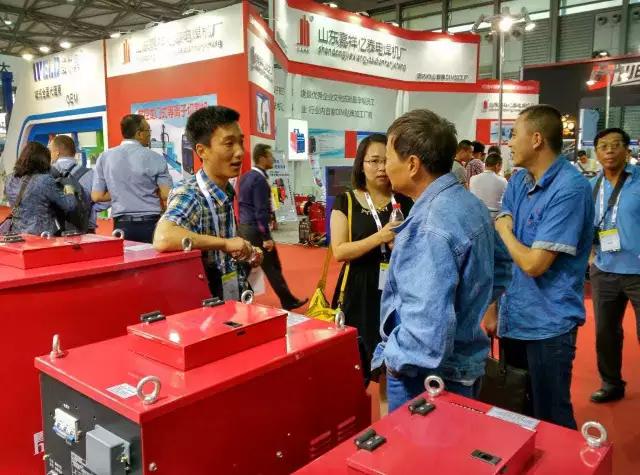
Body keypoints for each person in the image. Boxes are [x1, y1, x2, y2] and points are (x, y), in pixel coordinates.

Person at [371, 110, 494, 411]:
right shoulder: (470, 204)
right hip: (465, 362)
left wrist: (393, 360)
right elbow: (501, 269)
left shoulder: (429, 225)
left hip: (428, 378)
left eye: (388, 158)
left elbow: (426, 331)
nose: (385, 167)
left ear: (412, 164)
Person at [493, 105, 594, 429]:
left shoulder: (570, 188)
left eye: (513, 135)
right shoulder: (519, 181)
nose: (509, 143)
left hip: (549, 326)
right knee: (515, 411)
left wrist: (504, 230)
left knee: (552, 417)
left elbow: (534, 264)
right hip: (513, 318)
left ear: (536, 139)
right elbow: (505, 252)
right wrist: (493, 307)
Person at [153, 106, 262, 300]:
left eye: (240, 142)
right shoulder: (190, 193)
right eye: (229, 144)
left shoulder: (226, 190)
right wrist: (225, 244)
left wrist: (245, 252)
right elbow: (163, 238)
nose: (239, 152)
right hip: (207, 304)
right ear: (202, 151)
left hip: (231, 296)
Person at [330, 133, 412, 366]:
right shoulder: (345, 201)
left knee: (391, 362)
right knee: (354, 360)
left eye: (386, 160)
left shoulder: (405, 201)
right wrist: (380, 237)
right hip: (358, 288)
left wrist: (400, 244)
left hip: (396, 287)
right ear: (361, 164)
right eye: (374, 161)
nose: (382, 167)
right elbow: (339, 251)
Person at [589, 128, 640, 404]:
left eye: (615, 144)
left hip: (637, 271)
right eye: (603, 145)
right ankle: (611, 383)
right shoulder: (591, 185)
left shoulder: (638, 180)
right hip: (604, 268)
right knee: (605, 332)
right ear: (597, 153)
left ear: (627, 150)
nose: (609, 150)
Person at [238, 143, 307, 310]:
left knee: (245, 267)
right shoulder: (259, 180)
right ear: (262, 158)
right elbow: (260, 211)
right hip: (256, 231)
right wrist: (266, 237)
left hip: (244, 228)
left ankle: (236, 297)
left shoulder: (245, 177)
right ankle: (288, 301)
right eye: (270, 156)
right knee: (272, 266)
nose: (273, 159)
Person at [91, 114, 172, 243]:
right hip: (151, 224)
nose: (150, 134)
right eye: (148, 131)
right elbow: (166, 194)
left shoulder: (104, 157)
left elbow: (96, 196)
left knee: (126, 256)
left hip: (121, 225)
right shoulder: (156, 158)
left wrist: (120, 191)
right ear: (139, 134)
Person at [2, 142, 76, 236]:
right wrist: (70, 190)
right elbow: (69, 206)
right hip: (41, 235)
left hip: (17, 234)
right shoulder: (44, 180)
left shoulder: (9, 179)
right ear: (43, 160)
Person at [49, 135, 108, 233]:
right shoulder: (91, 174)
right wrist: (89, 209)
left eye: (51, 150)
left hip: (56, 230)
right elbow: (106, 201)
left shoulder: (47, 174)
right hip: (85, 228)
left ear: (57, 152)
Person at [470, 153, 508, 219]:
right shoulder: (503, 181)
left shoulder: (473, 179)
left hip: (475, 216)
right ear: (497, 165)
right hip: (494, 217)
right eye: (501, 167)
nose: (500, 169)